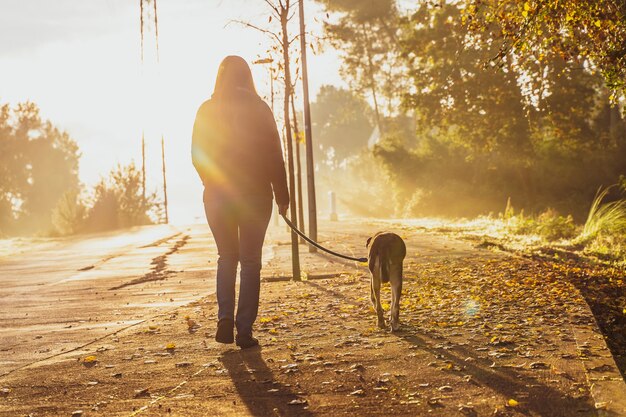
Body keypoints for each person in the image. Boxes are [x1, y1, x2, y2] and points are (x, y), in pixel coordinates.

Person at [192, 55, 289, 349]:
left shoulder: (207, 110)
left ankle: (224, 318)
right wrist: (283, 197)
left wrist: (211, 183)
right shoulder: (260, 109)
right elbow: (274, 154)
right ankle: (244, 330)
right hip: (255, 196)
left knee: (226, 257)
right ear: (248, 77)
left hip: (218, 197)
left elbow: (197, 155)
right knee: (249, 262)